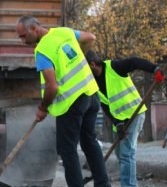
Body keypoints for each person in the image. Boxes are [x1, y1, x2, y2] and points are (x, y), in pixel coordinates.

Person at [15, 15, 110, 187]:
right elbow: (90, 37)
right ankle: (103, 184)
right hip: (91, 94)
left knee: (67, 150)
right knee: (89, 142)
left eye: (23, 36)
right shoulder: (63, 32)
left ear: (34, 29)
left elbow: (52, 87)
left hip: (72, 102)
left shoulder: (42, 50)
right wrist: (80, 54)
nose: (22, 41)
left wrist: (43, 108)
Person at [85, 50, 164, 187]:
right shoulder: (94, 82)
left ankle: (129, 185)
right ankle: (130, 182)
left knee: (127, 153)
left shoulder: (114, 67)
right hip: (120, 121)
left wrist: (154, 69)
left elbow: (134, 61)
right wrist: (118, 123)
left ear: (92, 64)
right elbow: (106, 106)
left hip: (134, 113)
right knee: (120, 153)